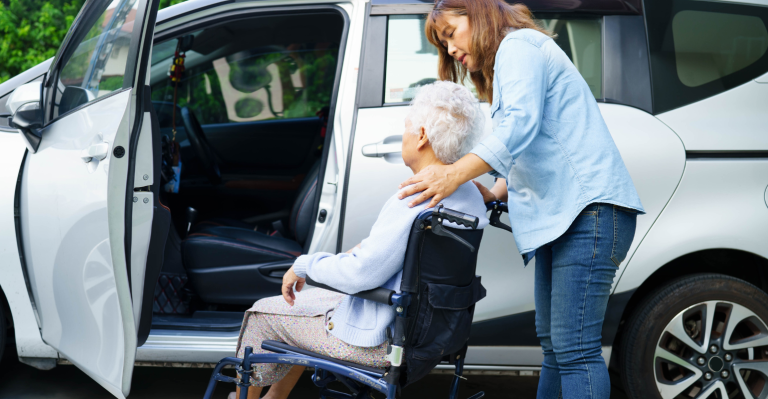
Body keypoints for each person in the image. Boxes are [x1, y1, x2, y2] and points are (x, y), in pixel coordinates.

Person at [397, 1, 645, 398]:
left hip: (589, 213)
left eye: (450, 34)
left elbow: (519, 126)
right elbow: (531, 148)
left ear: (477, 14)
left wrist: (453, 173)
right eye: (443, 46)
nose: (451, 50)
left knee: (575, 351)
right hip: (566, 218)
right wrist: (493, 190)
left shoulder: (518, 45)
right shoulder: (510, 63)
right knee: (554, 349)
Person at [230, 81, 489, 399]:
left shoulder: (414, 197)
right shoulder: (470, 195)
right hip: (433, 337)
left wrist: (304, 265)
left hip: (381, 340)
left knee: (264, 314)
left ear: (421, 136)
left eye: (406, 127)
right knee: (303, 306)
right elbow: (398, 256)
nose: (403, 135)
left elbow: (360, 275)